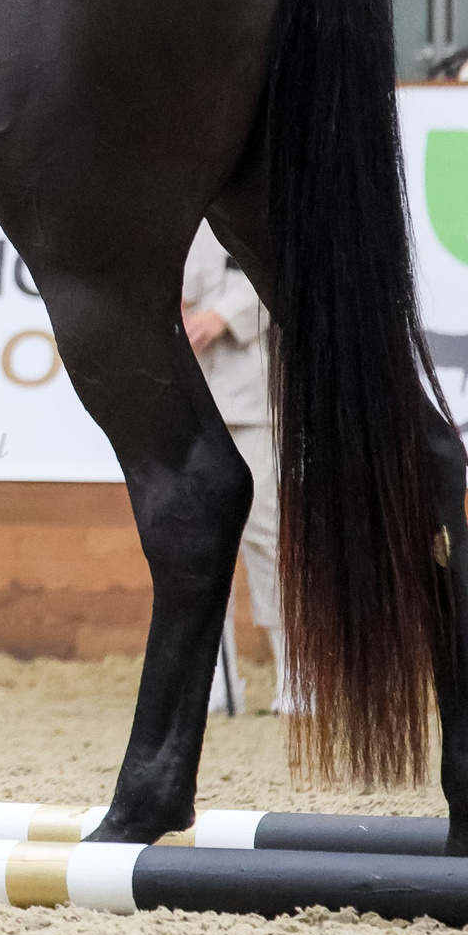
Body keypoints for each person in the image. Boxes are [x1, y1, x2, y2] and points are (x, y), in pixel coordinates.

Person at [182, 222, 300, 715]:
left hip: (253, 397)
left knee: (266, 535)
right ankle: (215, 683)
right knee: (196, 544)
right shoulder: (177, 199)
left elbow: (291, 274)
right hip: (189, 399)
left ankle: (297, 677)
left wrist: (224, 316)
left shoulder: (264, 194)